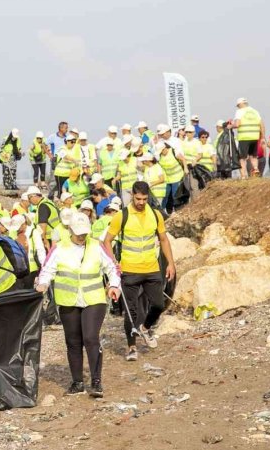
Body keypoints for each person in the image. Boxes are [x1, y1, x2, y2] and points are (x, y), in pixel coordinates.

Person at [37, 212, 120, 397]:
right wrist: (43, 284)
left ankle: (96, 381)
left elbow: (112, 268)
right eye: (78, 233)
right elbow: (47, 270)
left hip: (94, 299)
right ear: (70, 230)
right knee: (73, 342)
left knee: (91, 338)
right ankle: (77, 382)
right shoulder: (59, 248)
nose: (82, 236)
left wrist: (114, 285)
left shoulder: (97, 246)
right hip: (69, 301)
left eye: (84, 232)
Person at [103, 182, 176, 362]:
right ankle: (131, 347)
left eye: (144, 199)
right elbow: (107, 241)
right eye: (138, 199)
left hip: (152, 268)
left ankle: (145, 328)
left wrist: (171, 264)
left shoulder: (156, 214)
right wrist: (113, 263)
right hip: (129, 270)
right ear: (132, 196)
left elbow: (164, 240)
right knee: (131, 311)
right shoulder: (122, 216)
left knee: (159, 304)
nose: (141, 202)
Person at [232, 97, 265, 178]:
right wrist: (263, 137)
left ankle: (243, 176)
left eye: (238, 105)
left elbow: (237, 124)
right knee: (253, 156)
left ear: (240, 104)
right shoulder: (255, 111)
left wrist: (230, 126)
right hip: (254, 137)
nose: (238, 107)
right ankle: (256, 169)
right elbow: (262, 124)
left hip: (244, 137)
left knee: (242, 158)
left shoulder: (239, 111)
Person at [26, 185, 61, 251]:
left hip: (49, 239)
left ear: (34, 196)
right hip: (56, 236)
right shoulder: (48, 202)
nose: (29, 201)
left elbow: (42, 226)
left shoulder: (42, 206)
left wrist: (44, 241)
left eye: (29, 198)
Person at [157, 140, 185, 215]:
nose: (162, 153)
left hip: (177, 177)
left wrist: (185, 168)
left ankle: (178, 211)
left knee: (175, 195)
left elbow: (183, 159)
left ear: (165, 148)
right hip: (168, 179)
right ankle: (163, 211)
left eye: (162, 151)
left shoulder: (173, 152)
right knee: (165, 195)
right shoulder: (160, 156)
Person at [45, 122, 69, 197]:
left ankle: (61, 195)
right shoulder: (52, 137)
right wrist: (50, 155)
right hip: (55, 160)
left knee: (63, 178)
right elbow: (43, 144)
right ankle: (50, 196)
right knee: (53, 179)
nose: (67, 129)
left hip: (64, 160)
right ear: (61, 128)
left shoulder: (67, 138)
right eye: (66, 128)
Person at [116, 140, 140, 205]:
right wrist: (116, 179)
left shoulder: (135, 160)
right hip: (125, 188)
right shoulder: (120, 163)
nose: (123, 159)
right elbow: (119, 174)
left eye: (124, 158)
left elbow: (141, 172)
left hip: (135, 187)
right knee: (126, 206)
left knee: (136, 205)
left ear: (128, 155)